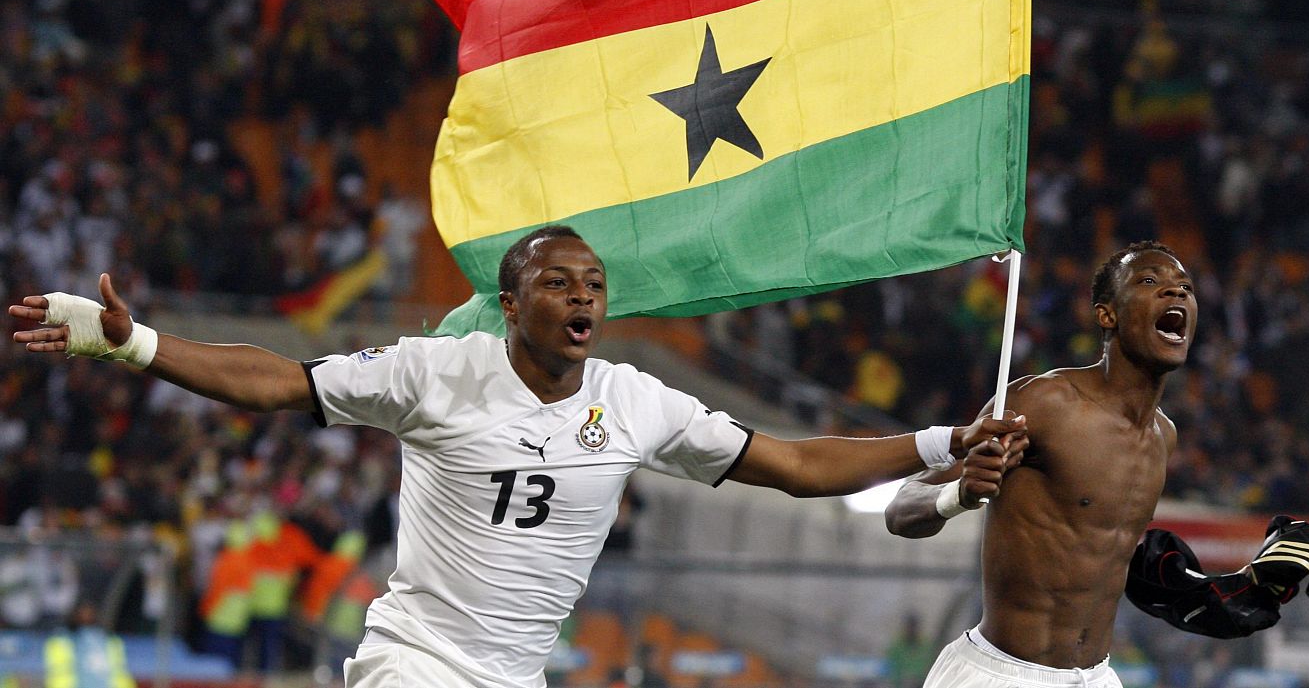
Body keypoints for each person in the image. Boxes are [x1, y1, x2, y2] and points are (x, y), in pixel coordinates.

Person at [11, 224, 1023, 688]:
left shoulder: (638, 402)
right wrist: (135, 342)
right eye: (558, 282)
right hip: (415, 663)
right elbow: (278, 378)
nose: (584, 296)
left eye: (593, 283)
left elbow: (796, 465)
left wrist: (942, 440)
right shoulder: (433, 372)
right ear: (511, 303)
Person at [885, 240, 1193, 688]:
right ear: (1107, 315)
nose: (1176, 293)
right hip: (1000, 674)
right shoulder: (1044, 403)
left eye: (1184, 286)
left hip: (1097, 678)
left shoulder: (1164, 437)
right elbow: (900, 508)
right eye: (1150, 281)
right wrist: (959, 494)